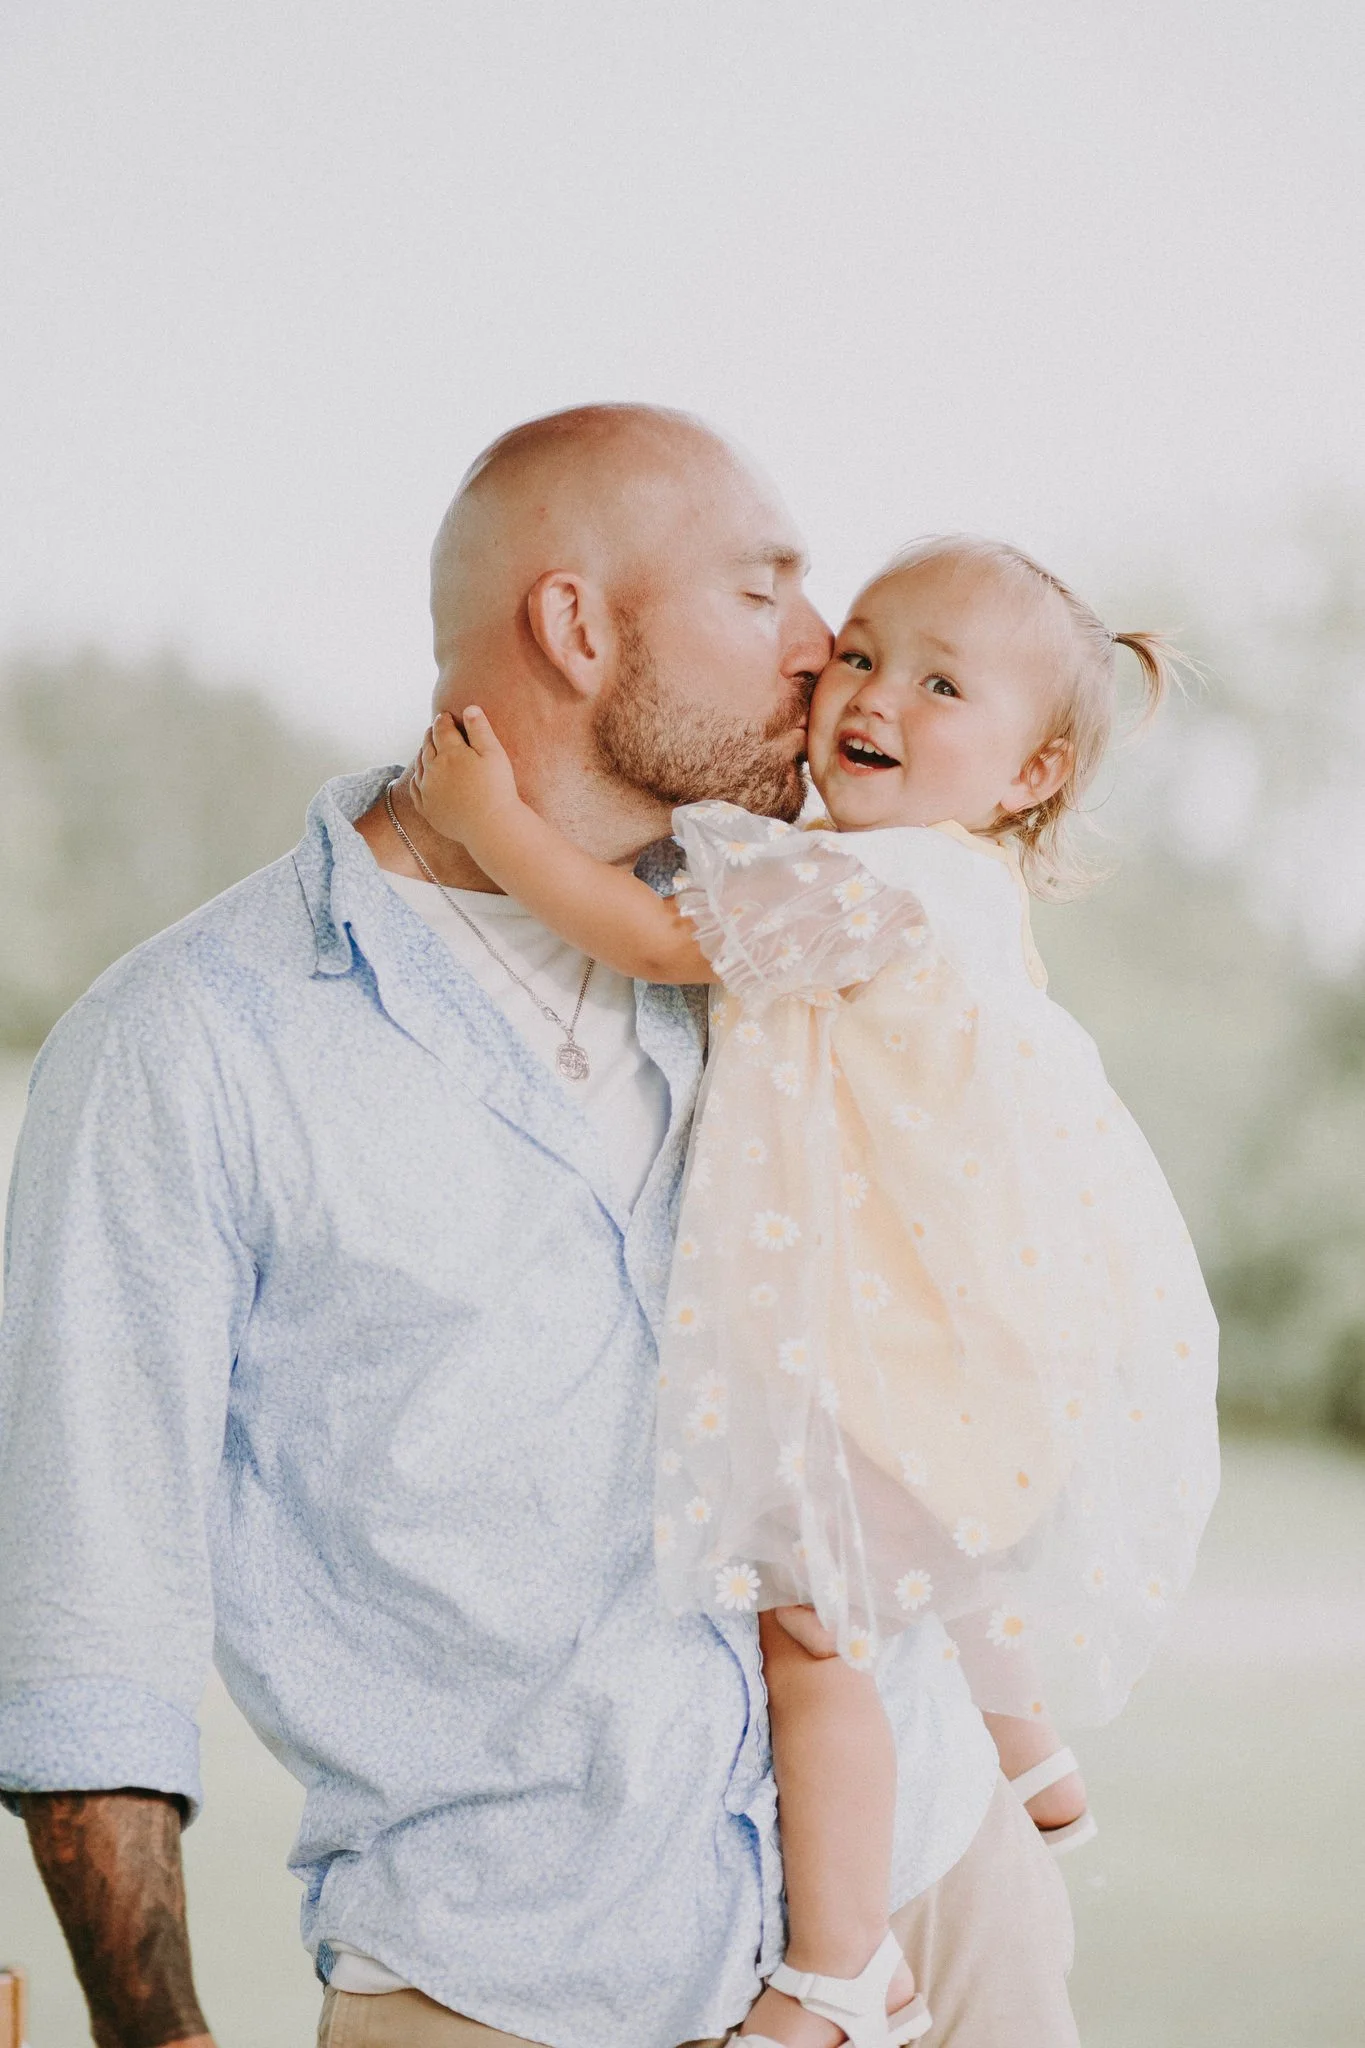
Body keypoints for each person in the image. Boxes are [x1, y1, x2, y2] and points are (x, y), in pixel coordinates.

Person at [0, 409, 1077, 2048]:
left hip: (932, 1894)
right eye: (766, 592)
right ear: (578, 628)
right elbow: (90, 1611)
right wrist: (157, 2034)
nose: (820, 651)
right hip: (517, 1987)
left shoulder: (790, 926)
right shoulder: (187, 1047)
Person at [406, 532, 1221, 2048]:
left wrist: (497, 824)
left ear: (1032, 773)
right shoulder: (953, 875)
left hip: (894, 1333)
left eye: (939, 683)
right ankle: (1026, 1745)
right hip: (974, 1328)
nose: (869, 691)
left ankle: (838, 1970)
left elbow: (656, 939)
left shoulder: (880, 883)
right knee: (937, 1547)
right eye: (859, 651)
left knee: (816, 1628)